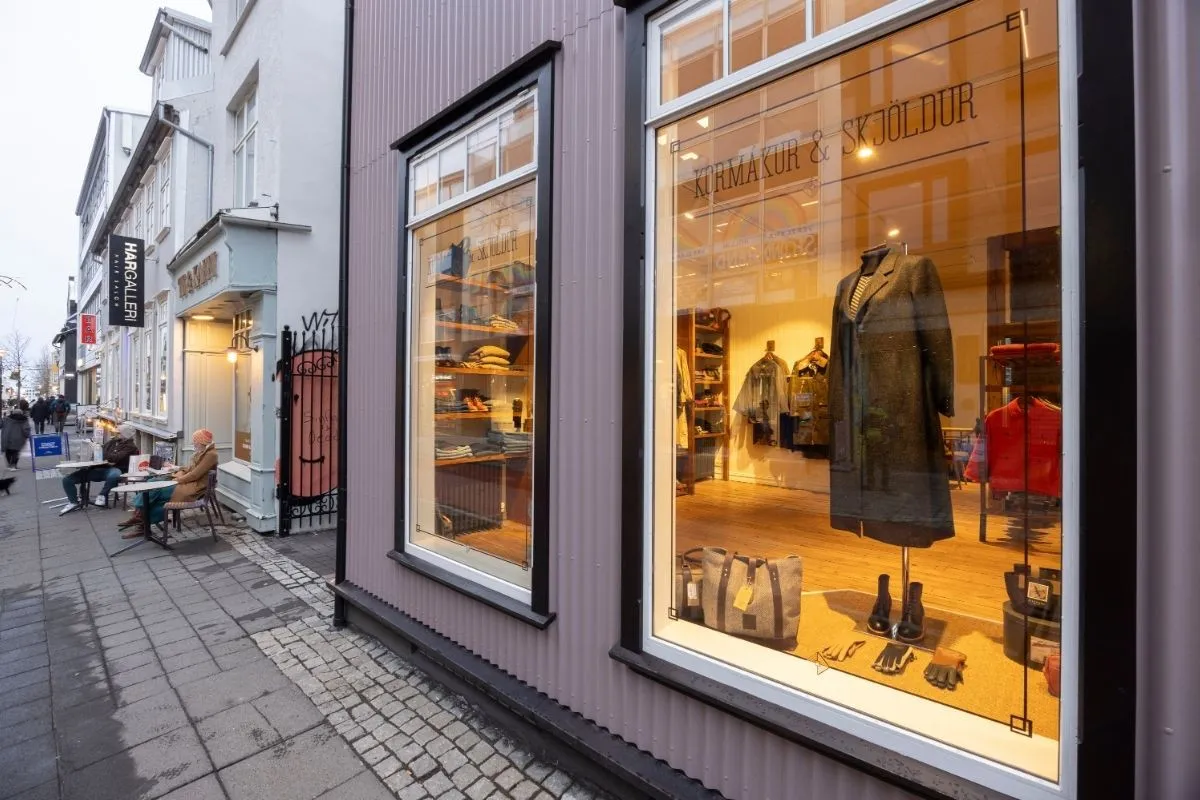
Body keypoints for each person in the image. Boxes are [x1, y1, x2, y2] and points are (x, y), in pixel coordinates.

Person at [120, 429, 218, 536]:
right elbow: (191, 469)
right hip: (188, 482)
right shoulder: (203, 452)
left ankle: (139, 518)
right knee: (153, 485)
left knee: (155, 489)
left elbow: (195, 475)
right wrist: (175, 468)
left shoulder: (211, 455)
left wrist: (176, 480)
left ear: (201, 441)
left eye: (195, 440)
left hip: (194, 487)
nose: (193, 443)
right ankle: (141, 522)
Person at [59, 423, 140, 514]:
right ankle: (73, 501)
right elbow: (100, 451)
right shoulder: (112, 442)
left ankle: (102, 495)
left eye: (119, 433)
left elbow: (115, 458)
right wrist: (97, 450)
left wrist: (101, 453)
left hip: (115, 469)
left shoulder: (131, 447)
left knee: (114, 474)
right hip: (99, 468)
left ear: (126, 435)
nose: (116, 434)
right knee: (67, 479)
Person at [1, 401, 32, 470]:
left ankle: (9, 465)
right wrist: (28, 435)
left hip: (7, 437)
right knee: (16, 452)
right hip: (18, 438)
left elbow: (1, 425)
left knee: (8, 451)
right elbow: (26, 429)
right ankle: (14, 465)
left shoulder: (6, 419)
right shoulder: (24, 419)